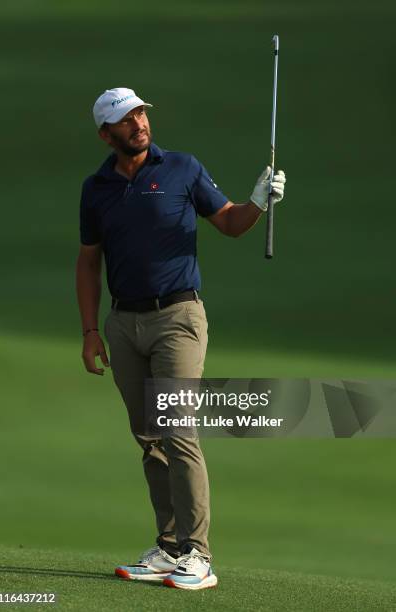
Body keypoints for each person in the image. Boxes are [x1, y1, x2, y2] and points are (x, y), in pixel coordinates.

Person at [76, 87, 286, 590]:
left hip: (178, 317)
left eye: (142, 113)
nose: (140, 123)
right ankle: (169, 547)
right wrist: (89, 331)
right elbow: (89, 261)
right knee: (150, 439)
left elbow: (231, 223)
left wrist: (257, 202)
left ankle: (198, 555)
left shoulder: (182, 168)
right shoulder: (96, 187)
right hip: (123, 324)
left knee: (178, 430)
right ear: (107, 134)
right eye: (127, 119)